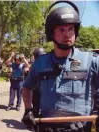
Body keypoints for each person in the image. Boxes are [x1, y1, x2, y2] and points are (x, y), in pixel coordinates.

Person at [21, 1, 99, 132]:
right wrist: (28, 109)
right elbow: (26, 88)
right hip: (47, 127)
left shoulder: (91, 61)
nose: (67, 34)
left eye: (71, 29)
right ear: (51, 33)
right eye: (61, 29)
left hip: (80, 128)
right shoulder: (40, 63)